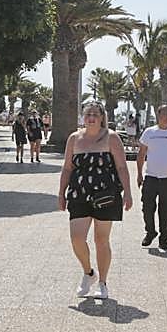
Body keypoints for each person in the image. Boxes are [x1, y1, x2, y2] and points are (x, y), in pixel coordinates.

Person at [59, 101, 133, 299]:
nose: (91, 117)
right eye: (88, 114)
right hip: (79, 194)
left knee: (101, 239)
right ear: (83, 117)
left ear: (102, 117)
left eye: (95, 114)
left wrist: (128, 192)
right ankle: (89, 273)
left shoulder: (112, 138)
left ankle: (103, 283)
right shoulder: (74, 139)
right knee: (76, 238)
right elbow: (67, 168)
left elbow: (122, 168)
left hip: (105, 194)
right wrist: (61, 193)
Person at [136, 104, 167, 251]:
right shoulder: (149, 132)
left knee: (166, 210)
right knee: (147, 207)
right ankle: (150, 232)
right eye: (165, 114)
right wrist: (139, 174)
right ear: (158, 115)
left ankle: (164, 238)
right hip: (151, 176)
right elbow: (141, 154)